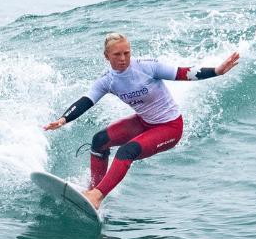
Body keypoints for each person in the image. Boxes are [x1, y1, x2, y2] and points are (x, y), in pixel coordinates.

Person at [43, 33, 240, 209]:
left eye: (126, 53)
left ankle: (96, 196)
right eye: (117, 55)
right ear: (106, 57)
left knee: (126, 151)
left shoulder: (147, 66)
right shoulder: (107, 80)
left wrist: (217, 71)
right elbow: (87, 100)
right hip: (144, 122)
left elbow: (184, 72)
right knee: (99, 140)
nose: (123, 59)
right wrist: (63, 119)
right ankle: (93, 190)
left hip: (170, 127)